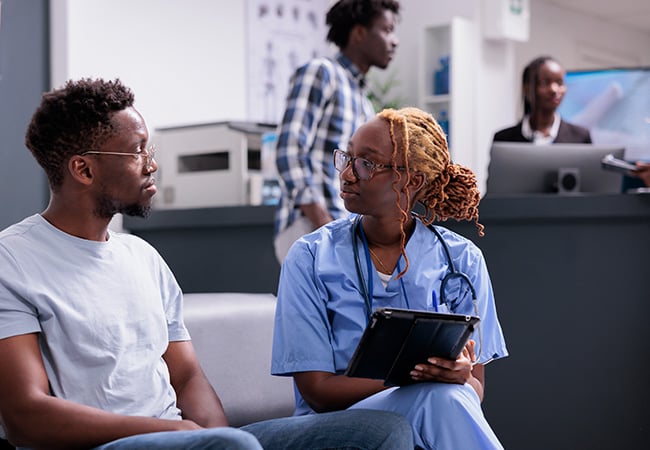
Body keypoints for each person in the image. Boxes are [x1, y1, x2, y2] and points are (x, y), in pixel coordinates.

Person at [0, 78, 416, 450]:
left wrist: (215, 437)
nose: (152, 163)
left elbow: (187, 378)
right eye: (137, 151)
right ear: (83, 169)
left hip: (185, 439)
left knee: (383, 430)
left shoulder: (142, 257)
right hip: (112, 444)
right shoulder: (14, 260)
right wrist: (174, 434)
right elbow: (25, 417)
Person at [272, 107, 509, 449]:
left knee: (445, 399)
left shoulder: (462, 259)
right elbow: (318, 392)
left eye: (367, 163)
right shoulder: (310, 256)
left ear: (411, 181)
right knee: (439, 399)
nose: (348, 174)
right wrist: (420, 377)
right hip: (331, 427)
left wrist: (459, 377)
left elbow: (474, 391)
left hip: (431, 421)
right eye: (348, 157)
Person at [273, 0, 400, 263]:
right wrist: (322, 222)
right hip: (310, 226)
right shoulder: (321, 73)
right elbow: (289, 150)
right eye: (387, 30)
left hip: (340, 228)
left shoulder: (363, 101)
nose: (395, 41)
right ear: (359, 33)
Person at [493, 55, 592, 144]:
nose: (554, 90)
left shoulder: (580, 137)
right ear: (527, 89)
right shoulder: (503, 139)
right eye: (545, 82)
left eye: (560, 83)